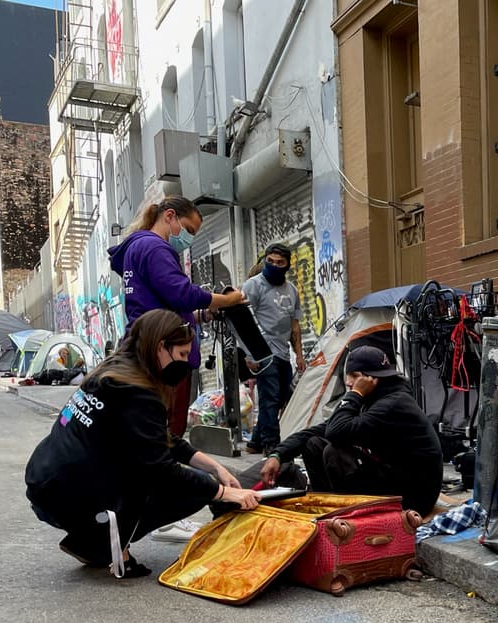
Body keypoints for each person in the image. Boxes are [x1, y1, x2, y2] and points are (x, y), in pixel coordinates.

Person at [25, 309, 260, 578]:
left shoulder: (111, 374)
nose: (186, 362)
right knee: (177, 483)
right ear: (161, 347)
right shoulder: (138, 394)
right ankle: (108, 543)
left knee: (150, 465)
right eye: (182, 354)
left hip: (45, 485)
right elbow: (160, 467)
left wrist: (214, 467)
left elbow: (157, 438)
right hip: (69, 497)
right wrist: (221, 492)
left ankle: (92, 538)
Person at [108, 196, 246, 438]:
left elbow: (162, 303)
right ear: (169, 216)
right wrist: (227, 300)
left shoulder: (138, 248)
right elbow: (181, 293)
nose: (189, 239)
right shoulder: (154, 247)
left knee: (154, 430)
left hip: (149, 347)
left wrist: (201, 315)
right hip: (164, 355)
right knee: (167, 433)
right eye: (189, 230)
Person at [259, 345, 443, 516]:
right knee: (314, 444)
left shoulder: (393, 403)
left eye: (354, 376)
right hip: (393, 476)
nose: (348, 382)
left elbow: (336, 431)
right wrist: (278, 455)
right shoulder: (373, 400)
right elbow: (320, 430)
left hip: (414, 497)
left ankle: (348, 514)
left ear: (371, 379)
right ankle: (328, 504)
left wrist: (354, 395)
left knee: (336, 452)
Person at [241, 242, 305, 454]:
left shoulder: (292, 290)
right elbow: (245, 322)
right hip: (263, 352)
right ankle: (272, 446)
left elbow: (295, 326)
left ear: (287, 265)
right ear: (265, 260)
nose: (274, 265)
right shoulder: (253, 285)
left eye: (280, 263)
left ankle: (255, 441)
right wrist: (250, 355)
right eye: (270, 261)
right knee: (269, 397)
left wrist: (300, 355)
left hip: (283, 352)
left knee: (280, 397)